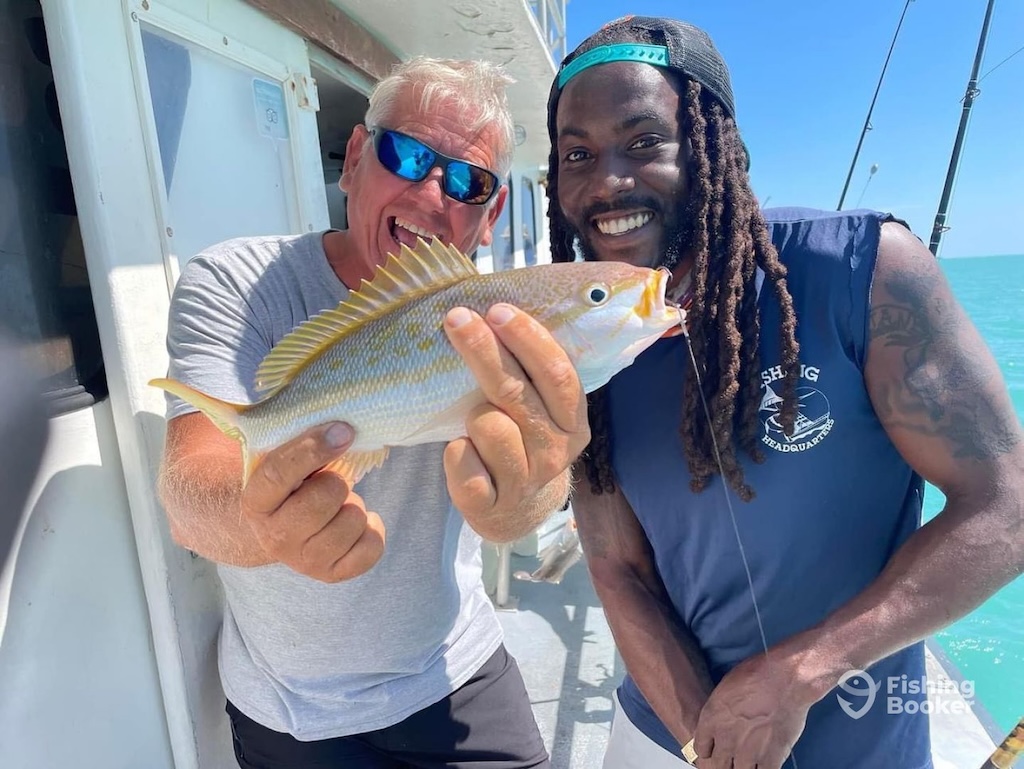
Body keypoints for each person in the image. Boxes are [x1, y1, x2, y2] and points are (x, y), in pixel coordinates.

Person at [546, 15, 1024, 769]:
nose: (609, 182)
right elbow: (616, 563)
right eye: (578, 153)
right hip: (664, 734)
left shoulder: (863, 271)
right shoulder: (574, 337)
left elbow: (1007, 504)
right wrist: (706, 738)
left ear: (715, 146)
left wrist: (797, 674)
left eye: (645, 142)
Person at [156, 56, 589, 769]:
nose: (429, 191)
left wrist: (535, 492)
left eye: (466, 180)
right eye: (406, 153)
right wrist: (266, 519)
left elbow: (520, 507)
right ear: (355, 157)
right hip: (292, 705)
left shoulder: (507, 322)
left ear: (490, 215)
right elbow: (190, 491)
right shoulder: (236, 281)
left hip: (455, 668)